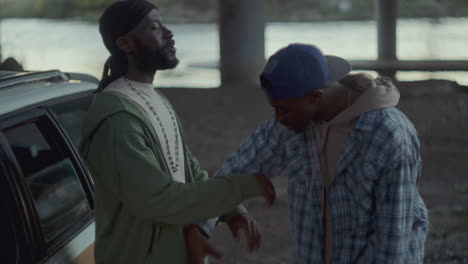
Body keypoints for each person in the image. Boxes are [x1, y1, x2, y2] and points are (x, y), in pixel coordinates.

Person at [78, 1, 275, 263]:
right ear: (125, 44)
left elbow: (188, 170)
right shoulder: (117, 122)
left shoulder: (154, 99)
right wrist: (243, 186)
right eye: (155, 27)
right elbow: (157, 199)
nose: (169, 33)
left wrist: (231, 210)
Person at [216, 43, 429, 263]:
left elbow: (392, 243)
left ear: (315, 97)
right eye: (275, 108)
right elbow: (236, 171)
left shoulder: (388, 136)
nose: (278, 118)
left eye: (283, 110)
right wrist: (213, 216)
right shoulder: (291, 122)